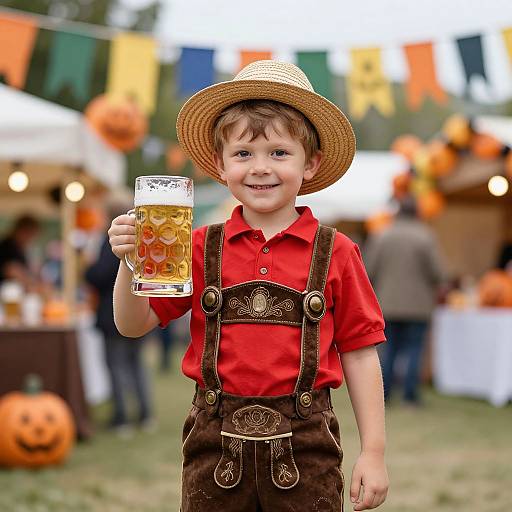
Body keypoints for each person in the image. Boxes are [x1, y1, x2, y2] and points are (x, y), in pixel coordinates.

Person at [109, 61, 389, 511]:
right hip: (213, 446)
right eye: (243, 154)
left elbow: (359, 353)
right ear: (220, 165)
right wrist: (129, 265)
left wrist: (373, 453)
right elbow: (132, 324)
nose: (260, 168)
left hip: (307, 448)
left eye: (279, 153)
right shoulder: (200, 247)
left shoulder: (337, 252)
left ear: (311, 163)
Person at [85, 192, 155, 436]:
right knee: (136, 365)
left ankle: (122, 417)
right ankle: (145, 414)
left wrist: (87, 267)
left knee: (116, 365)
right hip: (138, 309)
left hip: (113, 315)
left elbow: (100, 275)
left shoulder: (113, 239)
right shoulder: (144, 236)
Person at [365, 196, 444, 406]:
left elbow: (369, 269)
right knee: (414, 350)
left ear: (398, 212)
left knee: (388, 349)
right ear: (418, 213)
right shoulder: (426, 237)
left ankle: (386, 393)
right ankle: (410, 396)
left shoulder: (382, 235)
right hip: (418, 305)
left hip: (387, 303)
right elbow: (437, 272)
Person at [0, 214, 41, 288]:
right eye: (31, 234)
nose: (30, 239)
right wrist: (33, 285)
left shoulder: (18, 248)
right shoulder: (8, 246)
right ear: (22, 231)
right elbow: (11, 270)